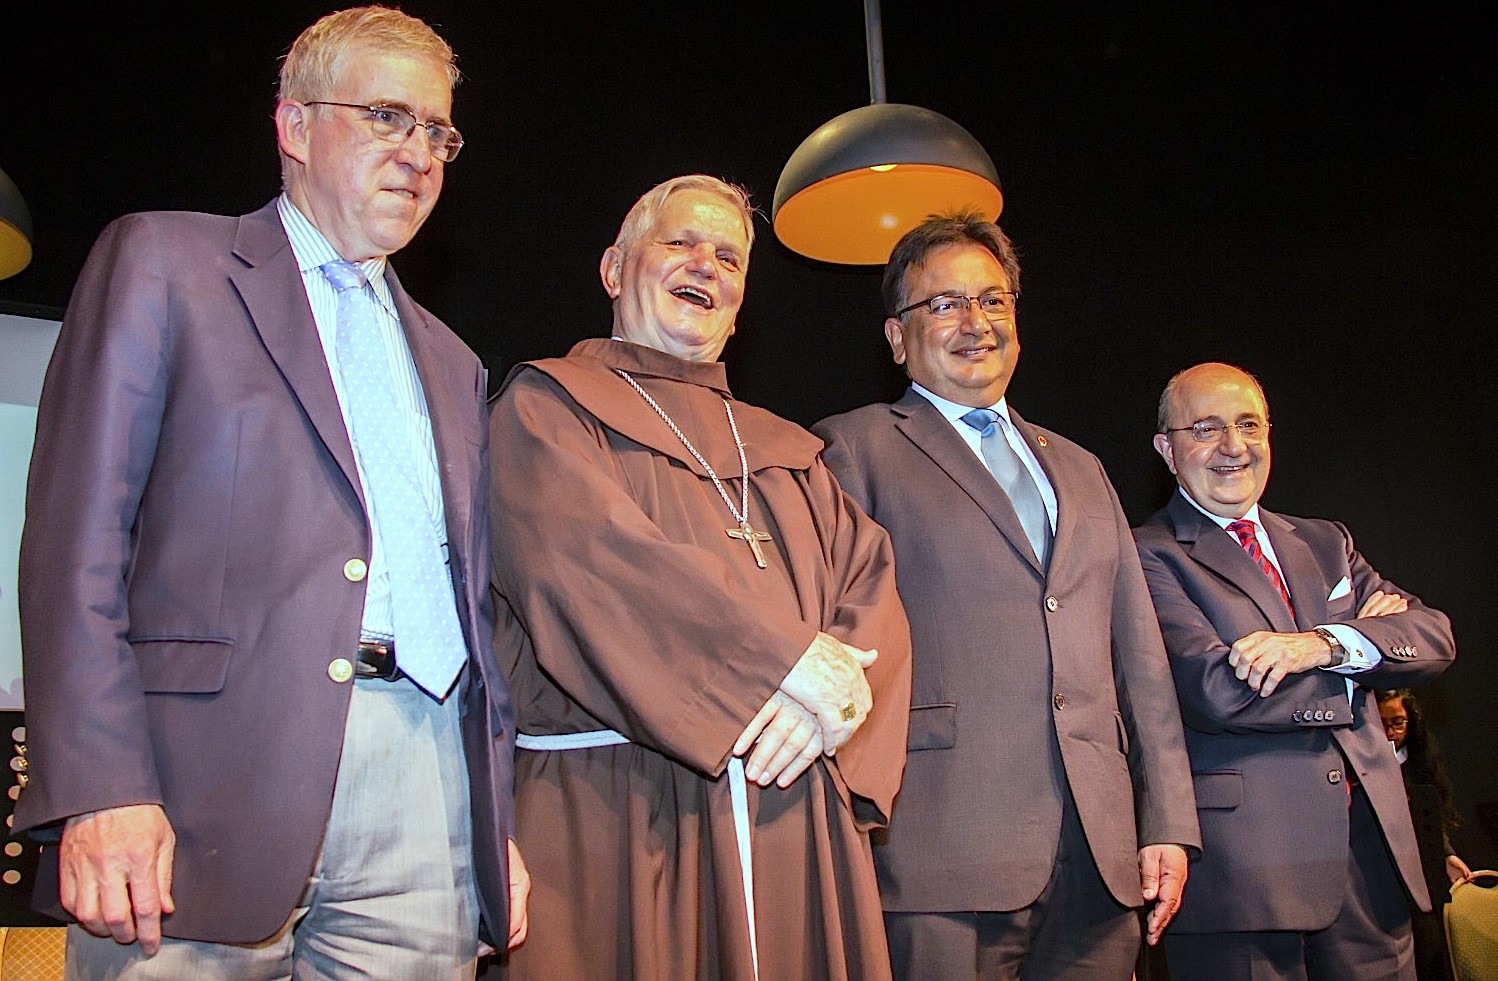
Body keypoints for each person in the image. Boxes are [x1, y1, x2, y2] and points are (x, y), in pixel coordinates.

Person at [15, 7, 528, 977]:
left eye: (438, 132)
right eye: (386, 117)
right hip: (196, 784)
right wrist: (99, 786)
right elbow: (73, 546)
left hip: (425, 790)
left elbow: (469, 606)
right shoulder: (165, 262)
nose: (418, 153)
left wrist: (485, 816)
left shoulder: (454, 360)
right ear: (294, 125)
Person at [487, 174, 913, 981]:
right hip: (619, 807)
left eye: (728, 257)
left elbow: (870, 587)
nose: (705, 265)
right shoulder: (546, 409)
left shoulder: (790, 453)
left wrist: (832, 707)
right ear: (615, 269)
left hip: (792, 806)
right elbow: (585, 563)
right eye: (680, 242)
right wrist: (780, 665)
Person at [812, 210, 1200, 981]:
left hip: (1100, 855)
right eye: (945, 303)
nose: (976, 322)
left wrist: (1165, 820)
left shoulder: (1082, 468)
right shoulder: (850, 449)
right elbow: (835, 641)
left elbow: (1141, 661)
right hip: (938, 846)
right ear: (897, 337)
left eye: (993, 300)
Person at [1134, 361, 1456, 981]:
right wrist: (1364, 660)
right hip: (1247, 874)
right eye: (1205, 428)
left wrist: (1322, 646)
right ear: (1167, 451)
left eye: (1248, 424)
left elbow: (1432, 639)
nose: (1233, 446)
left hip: (1372, 865)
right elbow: (1217, 690)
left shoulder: (1326, 543)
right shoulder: (1148, 554)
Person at [1378, 688, 1471, 981]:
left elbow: (1429, 819)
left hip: (1423, 877)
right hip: (1382, 878)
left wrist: (1446, 854)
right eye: (1383, 724)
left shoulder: (1418, 763)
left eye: (1398, 723)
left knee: (1433, 950)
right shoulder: (1362, 766)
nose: (1391, 732)